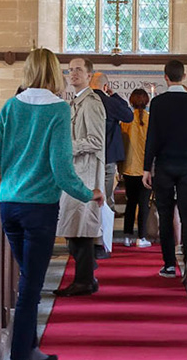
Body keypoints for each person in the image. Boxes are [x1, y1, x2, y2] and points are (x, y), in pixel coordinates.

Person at [0, 48, 101, 360]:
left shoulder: (11, 106)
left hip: (10, 206)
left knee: (27, 279)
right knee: (30, 289)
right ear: (52, 74)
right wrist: (88, 193)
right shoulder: (58, 110)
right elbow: (62, 170)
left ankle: (29, 348)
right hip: (39, 210)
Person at [141, 60, 187, 278]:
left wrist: (146, 167)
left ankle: (169, 264)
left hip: (165, 165)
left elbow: (152, 138)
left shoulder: (158, 103)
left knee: (166, 214)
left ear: (165, 77)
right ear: (184, 76)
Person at [53, 54, 109, 295]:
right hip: (74, 171)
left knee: (80, 227)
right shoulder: (75, 101)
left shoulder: (92, 102)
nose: (72, 73)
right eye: (70, 70)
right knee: (75, 227)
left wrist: (67, 147)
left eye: (78, 70)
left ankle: (85, 280)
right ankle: (85, 278)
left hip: (85, 172)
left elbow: (96, 141)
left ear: (89, 75)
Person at [97, 79, 136, 246]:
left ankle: (92, 237)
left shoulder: (82, 101)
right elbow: (128, 116)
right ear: (105, 87)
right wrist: (115, 96)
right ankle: (104, 239)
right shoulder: (109, 101)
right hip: (107, 155)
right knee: (104, 198)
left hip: (88, 157)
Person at [120, 88, 151, 246]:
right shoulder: (150, 119)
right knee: (144, 204)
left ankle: (127, 236)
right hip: (145, 169)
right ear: (146, 101)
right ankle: (142, 237)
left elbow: (122, 144)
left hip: (129, 167)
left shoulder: (126, 119)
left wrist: (120, 168)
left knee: (130, 203)